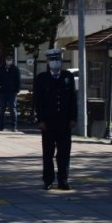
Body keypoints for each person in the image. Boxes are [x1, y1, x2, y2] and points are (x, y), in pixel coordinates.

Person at [34, 47, 78, 190]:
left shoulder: (68, 77)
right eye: (52, 60)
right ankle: (48, 180)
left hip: (64, 122)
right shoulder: (41, 78)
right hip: (48, 122)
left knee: (64, 153)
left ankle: (63, 180)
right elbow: (38, 101)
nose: (55, 62)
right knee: (48, 153)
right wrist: (40, 120)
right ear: (48, 62)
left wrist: (73, 118)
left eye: (57, 59)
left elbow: (73, 99)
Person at [0, 54, 22, 132]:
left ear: (12, 60)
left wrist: (17, 90)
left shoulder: (15, 69)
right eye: (7, 59)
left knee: (12, 109)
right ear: (5, 60)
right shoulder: (1, 68)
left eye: (9, 59)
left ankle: (14, 126)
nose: (8, 61)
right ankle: (1, 126)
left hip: (12, 92)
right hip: (2, 92)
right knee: (2, 109)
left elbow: (18, 80)